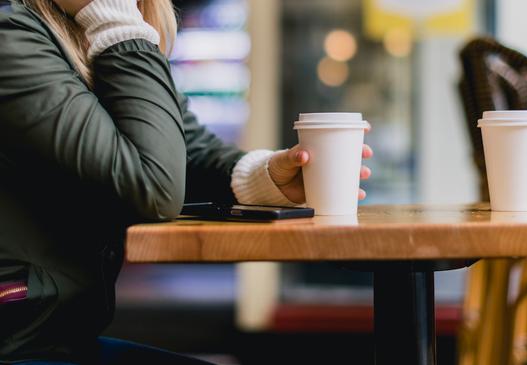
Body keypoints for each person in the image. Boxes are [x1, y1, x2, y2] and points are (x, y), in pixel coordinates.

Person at [0, 0, 372, 363]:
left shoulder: (78, 34)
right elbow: (154, 187)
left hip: (53, 336)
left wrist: (270, 176)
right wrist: (116, 22)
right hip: (20, 342)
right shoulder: (11, 37)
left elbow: (190, 150)